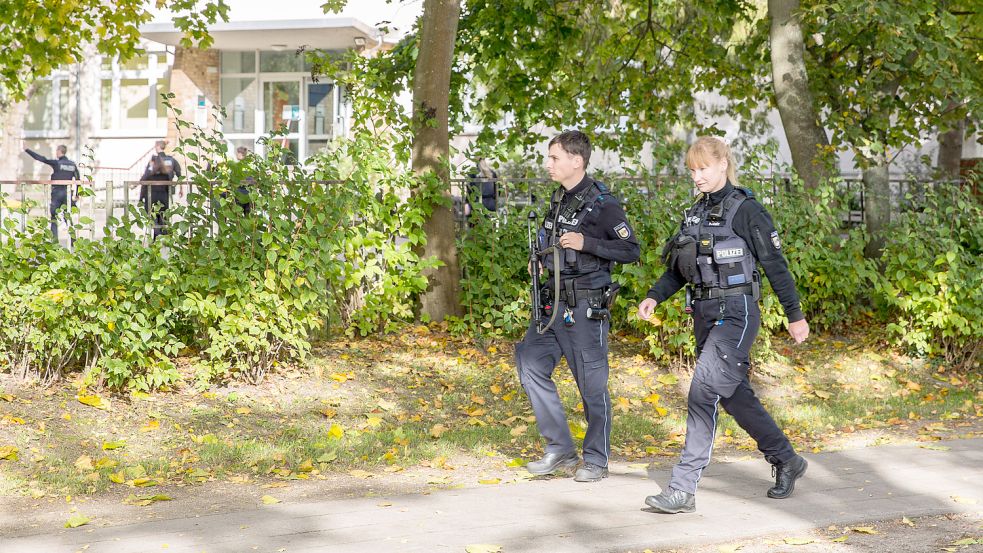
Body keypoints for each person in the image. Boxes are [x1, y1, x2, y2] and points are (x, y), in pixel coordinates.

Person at [637, 136, 811, 514]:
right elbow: (678, 270)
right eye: (692, 170)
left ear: (722, 165)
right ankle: (787, 459)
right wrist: (654, 295)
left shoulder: (748, 211)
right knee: (733, 395)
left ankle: (682, 488)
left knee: (702, 391)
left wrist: (794, 314)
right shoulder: (694, 214)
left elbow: (775, 265)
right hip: (703, 313)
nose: (696, 177)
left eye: (703, 169)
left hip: (737, 312)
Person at [515, 130, 640, 482]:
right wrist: (540, 262)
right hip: (551, 304)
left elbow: (631, 250)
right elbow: (550, 242)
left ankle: (596, 459)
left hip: (585, 307)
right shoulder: (559, 198)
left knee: (592, 386)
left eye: (554, 158)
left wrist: (589, 243)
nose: (549, 164)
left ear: (576, 161)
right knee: (529, 364)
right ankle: (560, 449)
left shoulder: (604, 204)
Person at [24, 145, 79, 242]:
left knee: (54, 217)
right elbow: (78, 179)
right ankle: (73, 242)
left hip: (57, 193)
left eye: (56, 150)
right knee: (68, 217)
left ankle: (54, 241)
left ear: (59, 151)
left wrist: (27, 149)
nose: (56, 152)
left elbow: (41, 159)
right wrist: (77, 194)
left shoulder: (57, 163)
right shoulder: (72, 164)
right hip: (67, 193)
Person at [139, 140, 182, 240]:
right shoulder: (171, 160)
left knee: (152, 216)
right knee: (163, 216)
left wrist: (140, 198)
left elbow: (144, 180)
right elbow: (179, 174)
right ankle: (165, 237)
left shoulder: (153, 162)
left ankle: (157, 235)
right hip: (165, 194)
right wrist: (179, 188)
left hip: (152, 195)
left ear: (157, 147)